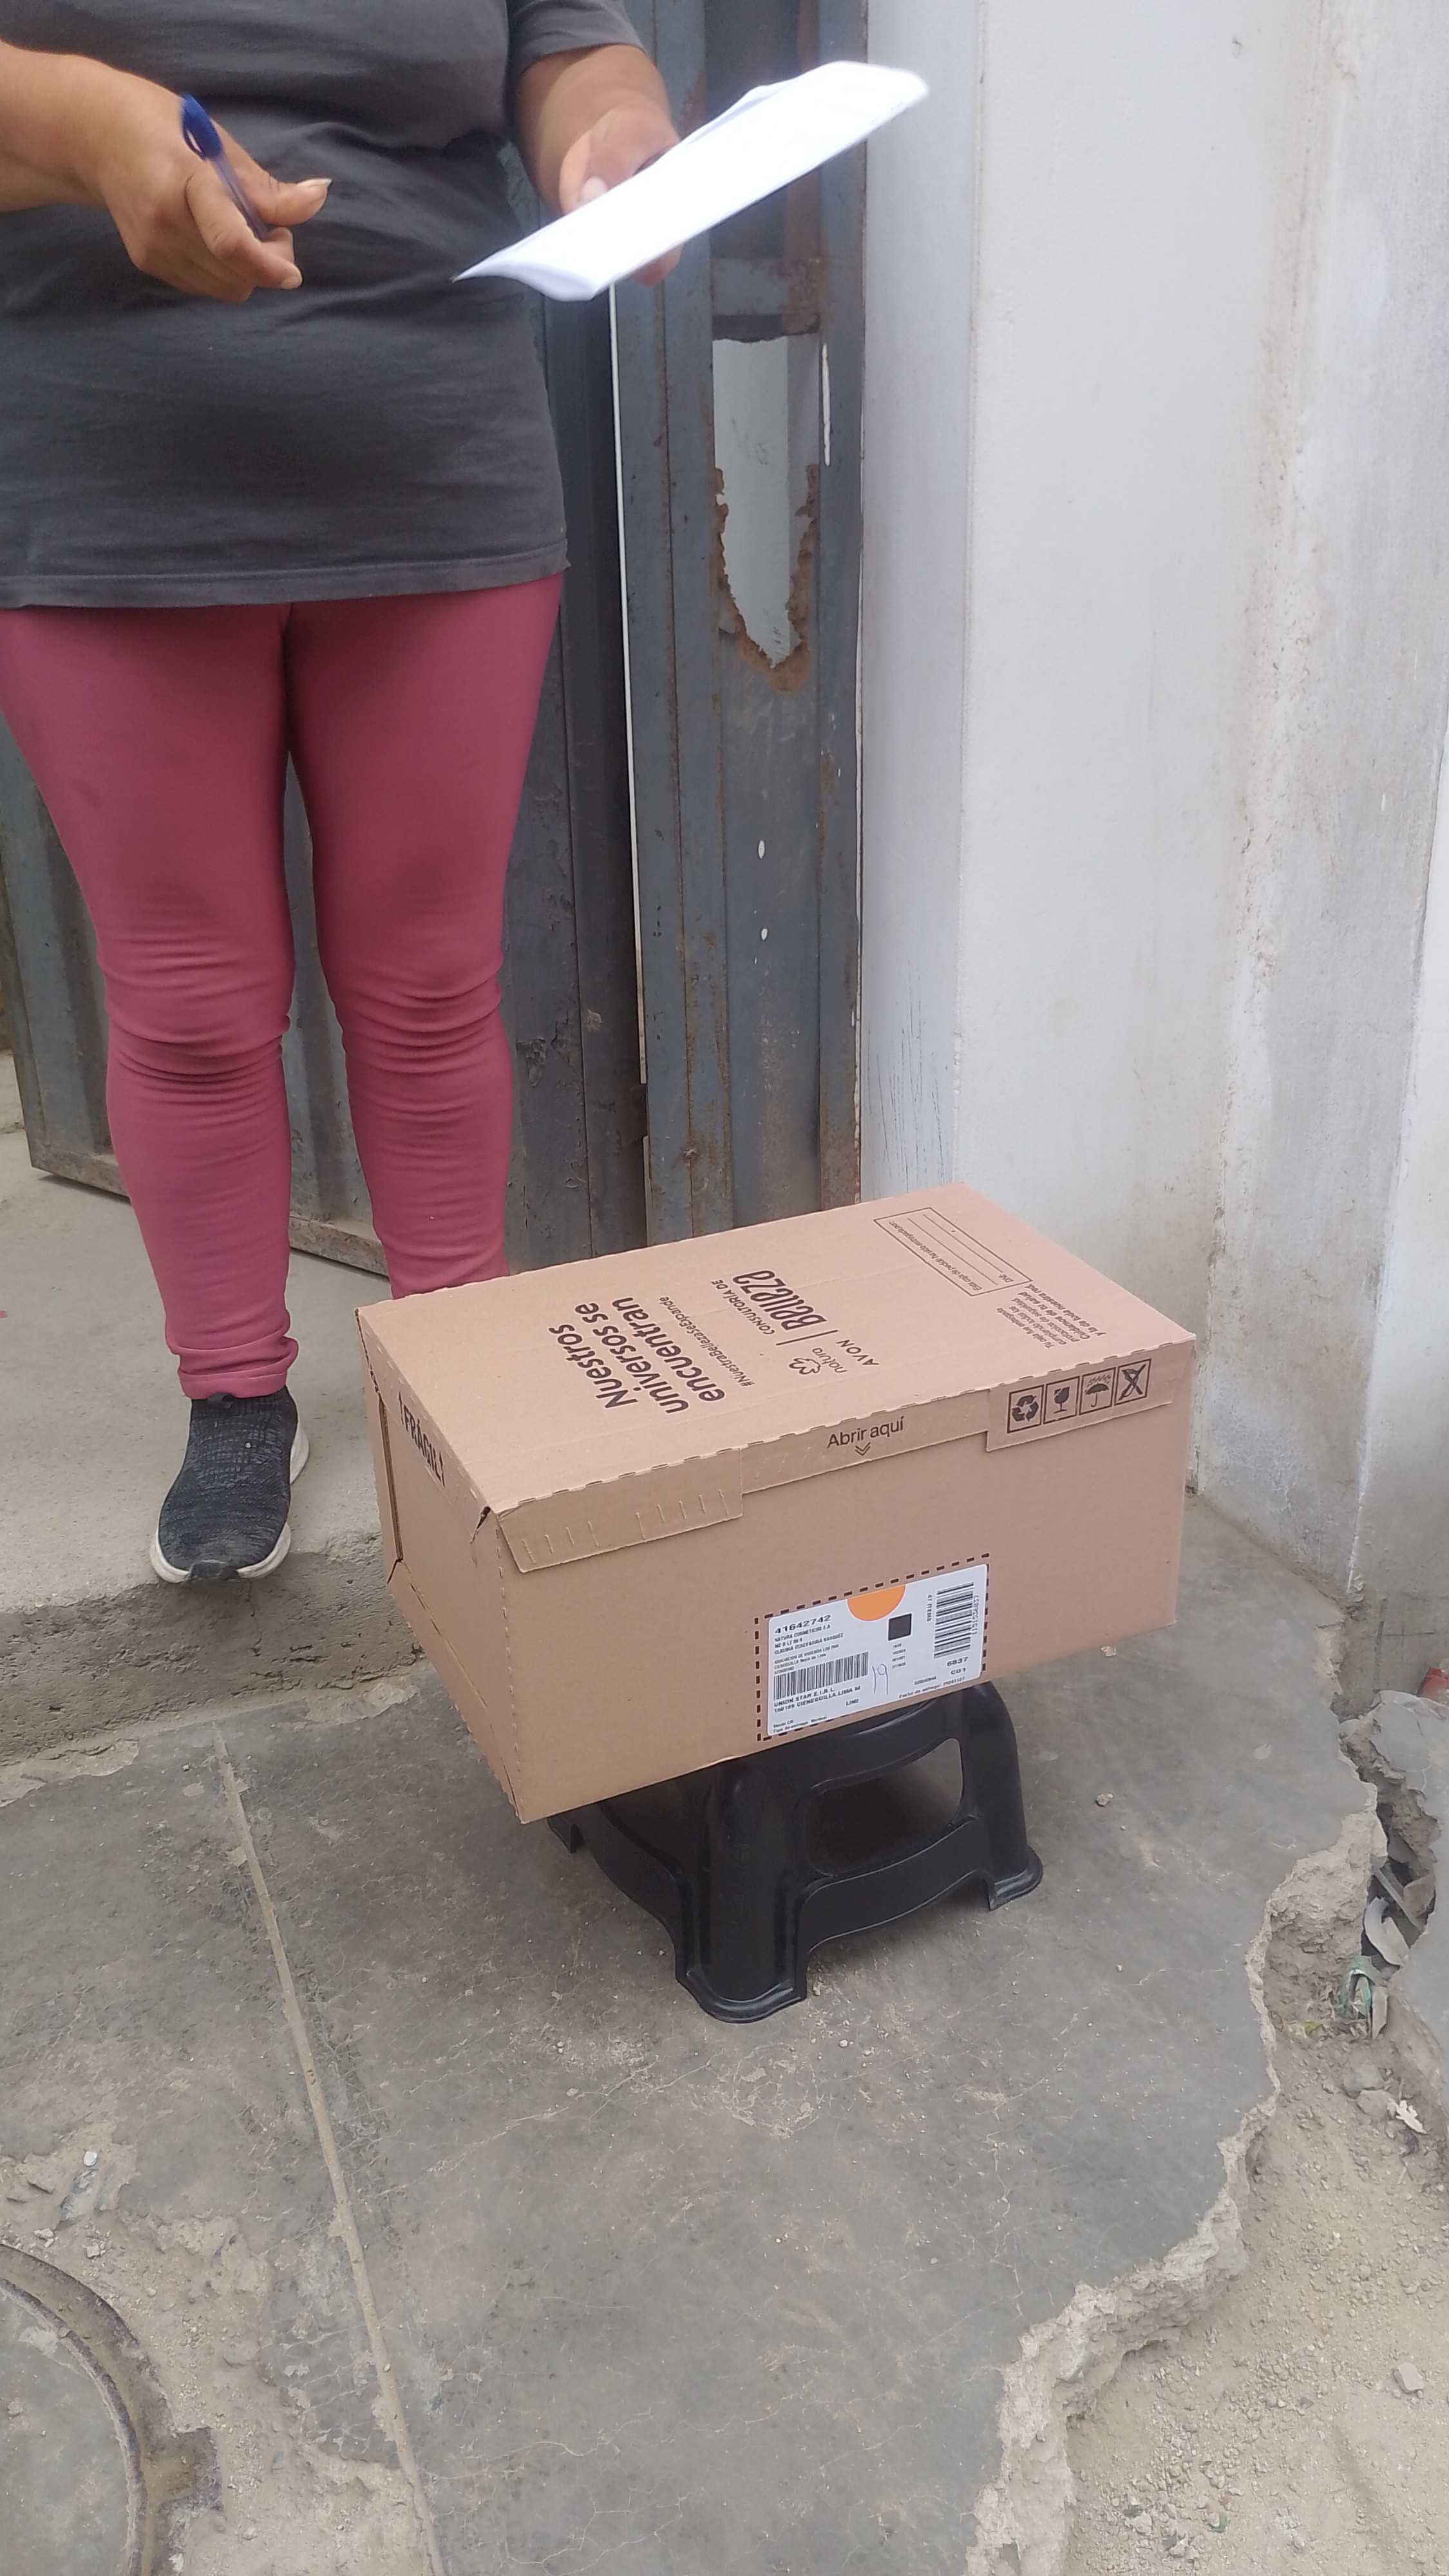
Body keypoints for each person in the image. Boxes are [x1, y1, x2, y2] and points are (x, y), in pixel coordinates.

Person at [0, 3, 677, 1583]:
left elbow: (566, 41)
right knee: (187, 1002)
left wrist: (611, 130)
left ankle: (461, 1361)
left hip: (436, 463)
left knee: (431, 982)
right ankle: (236, 1390)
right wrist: (87, 128)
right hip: (101, 483)